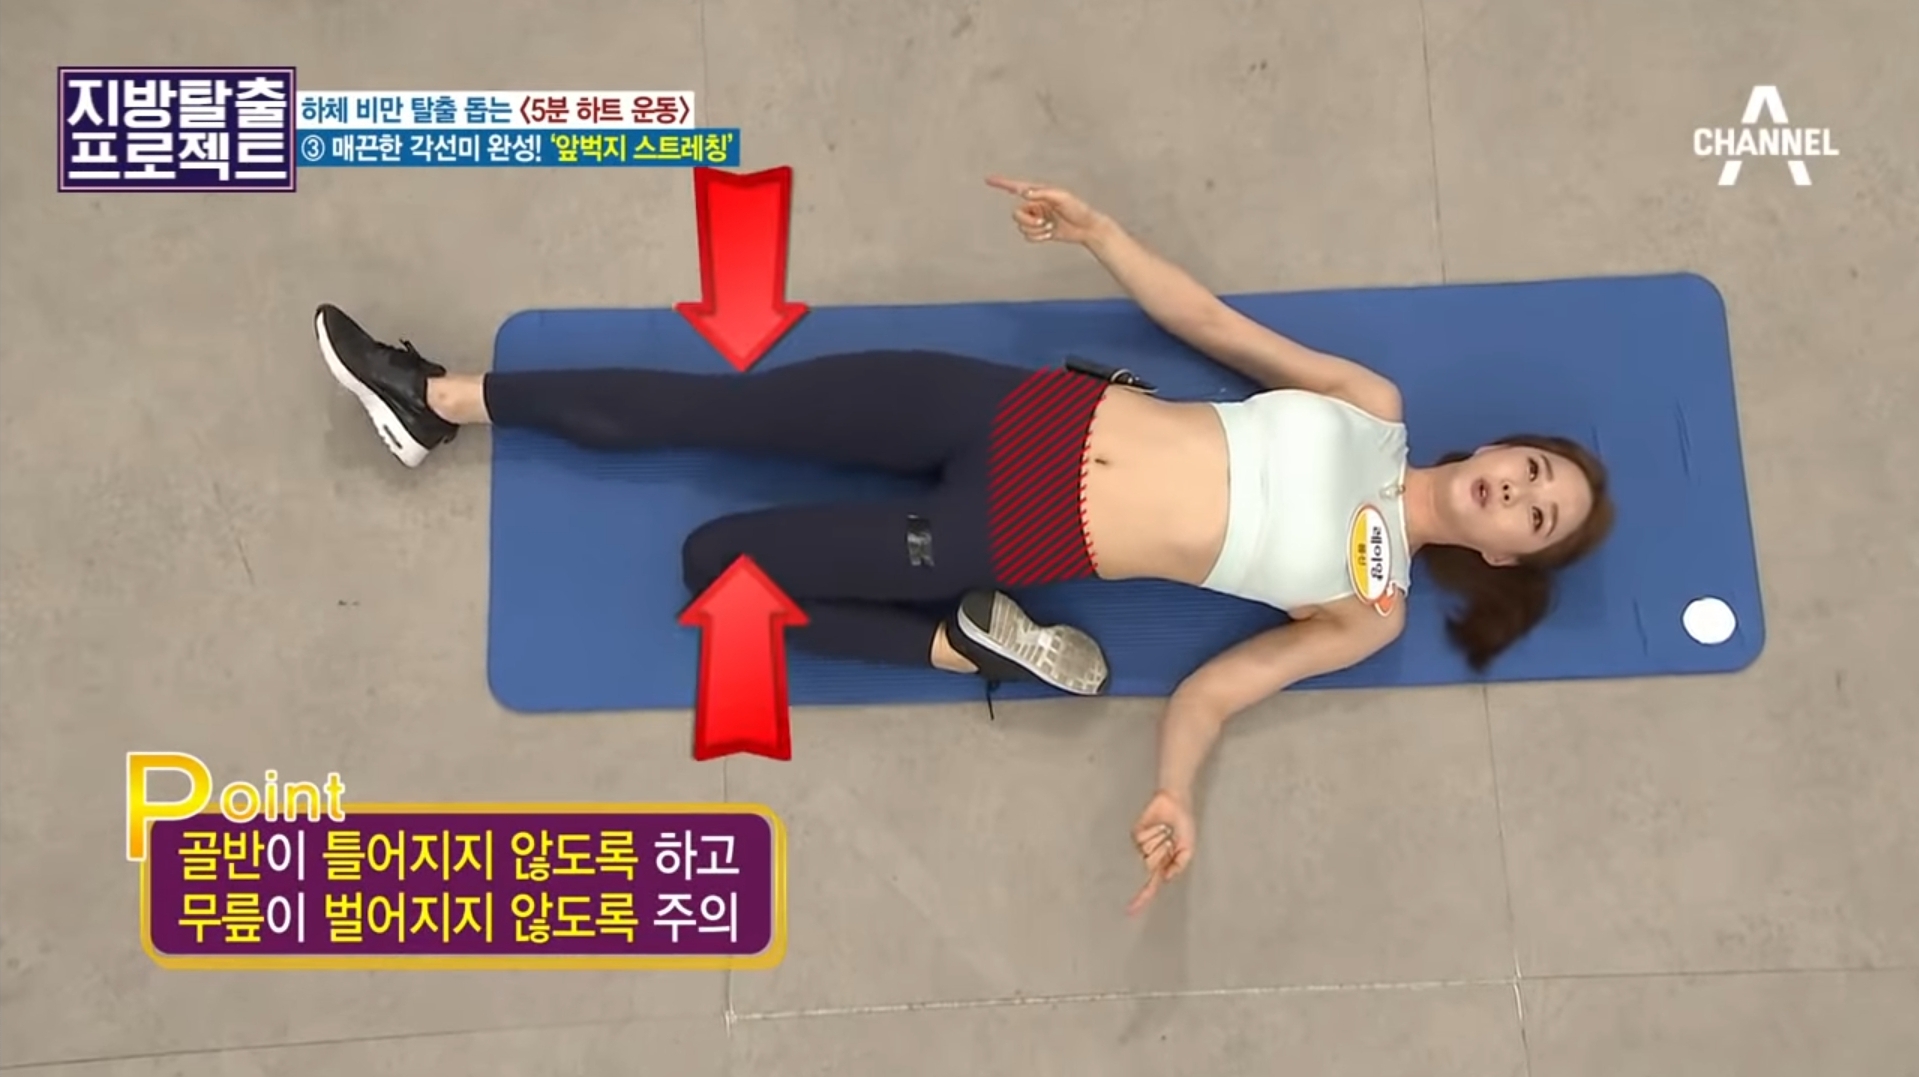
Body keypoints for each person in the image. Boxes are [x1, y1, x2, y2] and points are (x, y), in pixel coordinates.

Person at [314, 175, 1615, 915]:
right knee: (728, 406)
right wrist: (1105, 236)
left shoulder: (1374, 611)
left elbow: (1219, 690)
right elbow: (1220, 329)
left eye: (1537, 514)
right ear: (1508, 445)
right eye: (1536, 470)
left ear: (1508, 556)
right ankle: (440, 400)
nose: (1519, 490)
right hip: (1003, 409)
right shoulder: (1374, 407)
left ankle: (960, 646)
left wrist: (1173, 793)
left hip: (1004, 528)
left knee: (716, 566)